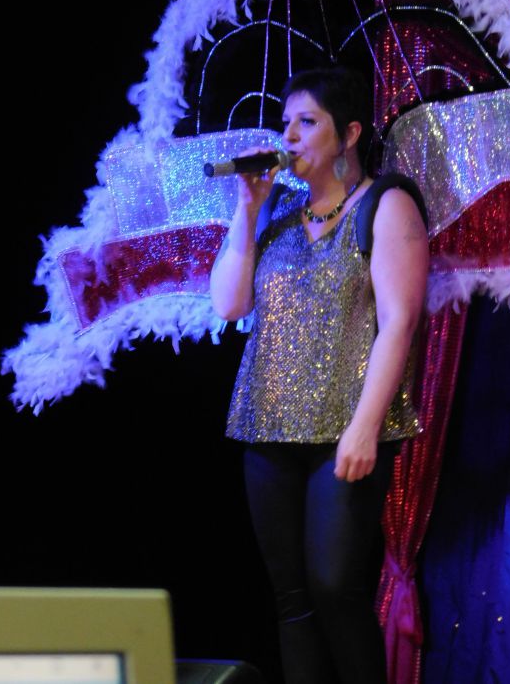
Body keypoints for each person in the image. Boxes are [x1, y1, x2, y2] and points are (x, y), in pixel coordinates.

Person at [209, 66, 429, 684]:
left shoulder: (387, 203)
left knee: (336, 588)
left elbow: (400, 322)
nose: (290, 136)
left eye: (307, 122)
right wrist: (247, 210)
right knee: (293, 602)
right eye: (286, 123)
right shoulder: (277, 210)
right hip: (268, 427)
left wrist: (364, 427)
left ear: (349, 133)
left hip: (346, 430)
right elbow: (229, 304)